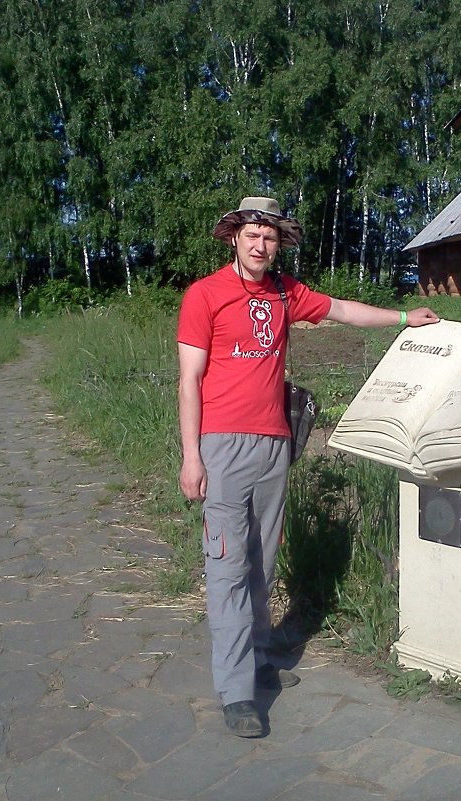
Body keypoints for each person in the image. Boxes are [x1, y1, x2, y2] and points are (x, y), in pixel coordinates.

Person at [177, 196, 439, 738]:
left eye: (269, 237)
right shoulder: (204, 295)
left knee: (262, 562)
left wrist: (402, 318)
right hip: (221, 444)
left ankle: (257, 659)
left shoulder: (283, 292)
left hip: (275, 444)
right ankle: (237, 692)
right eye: (252, 234)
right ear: (234, 238)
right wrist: (191, 457)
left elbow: (341, 309)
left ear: (277, 244)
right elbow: (189, 380)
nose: (260, 244)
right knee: (227, 565)